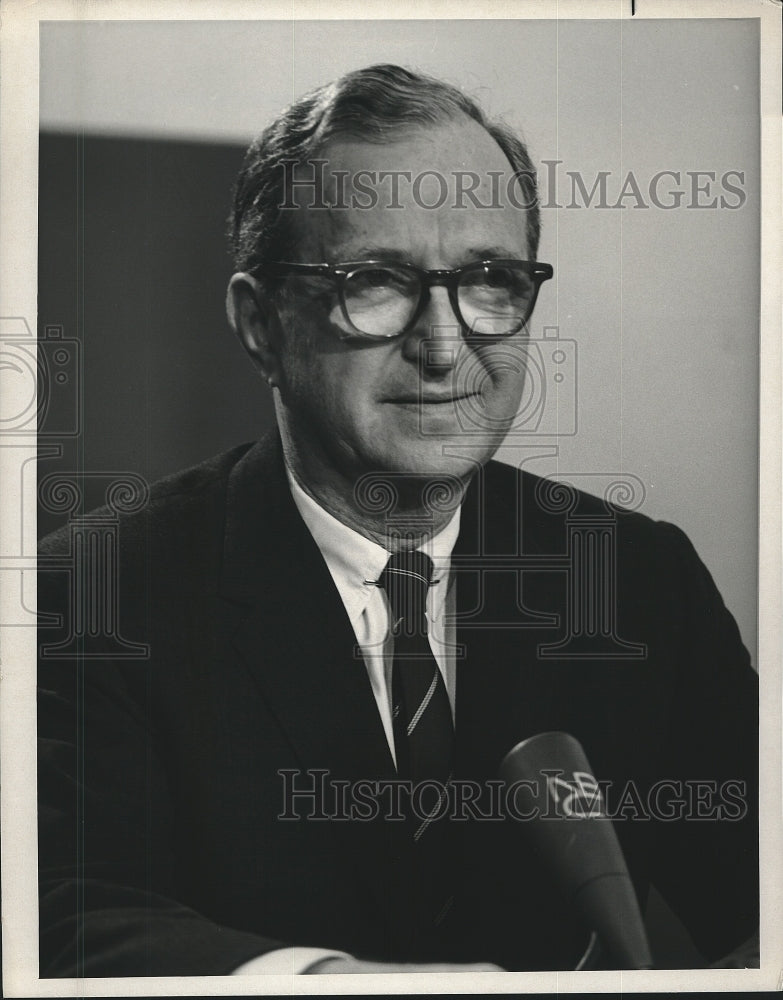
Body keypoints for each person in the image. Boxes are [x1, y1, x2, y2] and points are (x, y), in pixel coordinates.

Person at [37, 64, 758, 977]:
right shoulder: (93, 594)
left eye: (490, 279)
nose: (445, 342)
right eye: (375, 281)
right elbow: (60, 914)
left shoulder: (636, 579)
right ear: (260, 324)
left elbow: (759, 890)